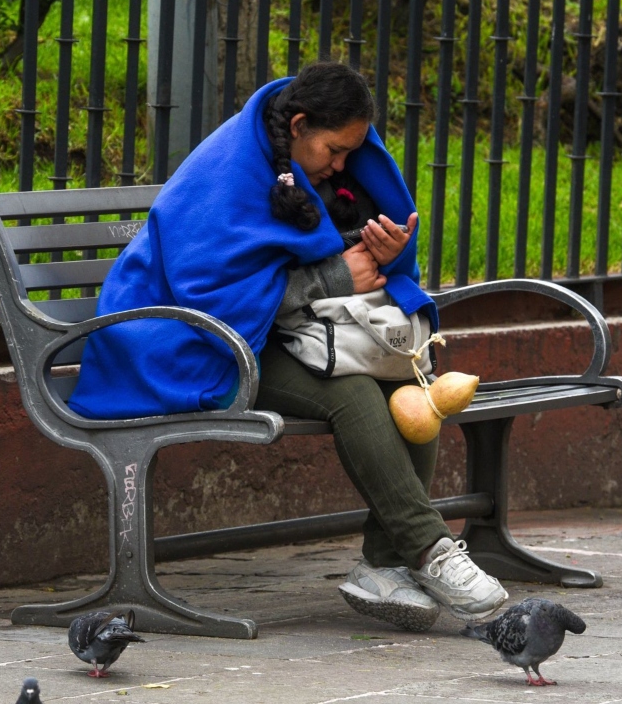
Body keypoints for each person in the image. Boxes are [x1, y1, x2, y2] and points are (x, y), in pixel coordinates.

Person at [68, 61, 507, 630]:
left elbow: (320, 247)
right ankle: (429, 551)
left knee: (403, 377)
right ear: (299, 125)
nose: (343, 165)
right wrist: (333, 279)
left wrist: (386, 250)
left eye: (352, 152)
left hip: (270, 332)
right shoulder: (229, 169)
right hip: (180, 343)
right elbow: (207, 296)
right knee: (350, 393)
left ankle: (383, 563)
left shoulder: (302, 157)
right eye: (335, 149)